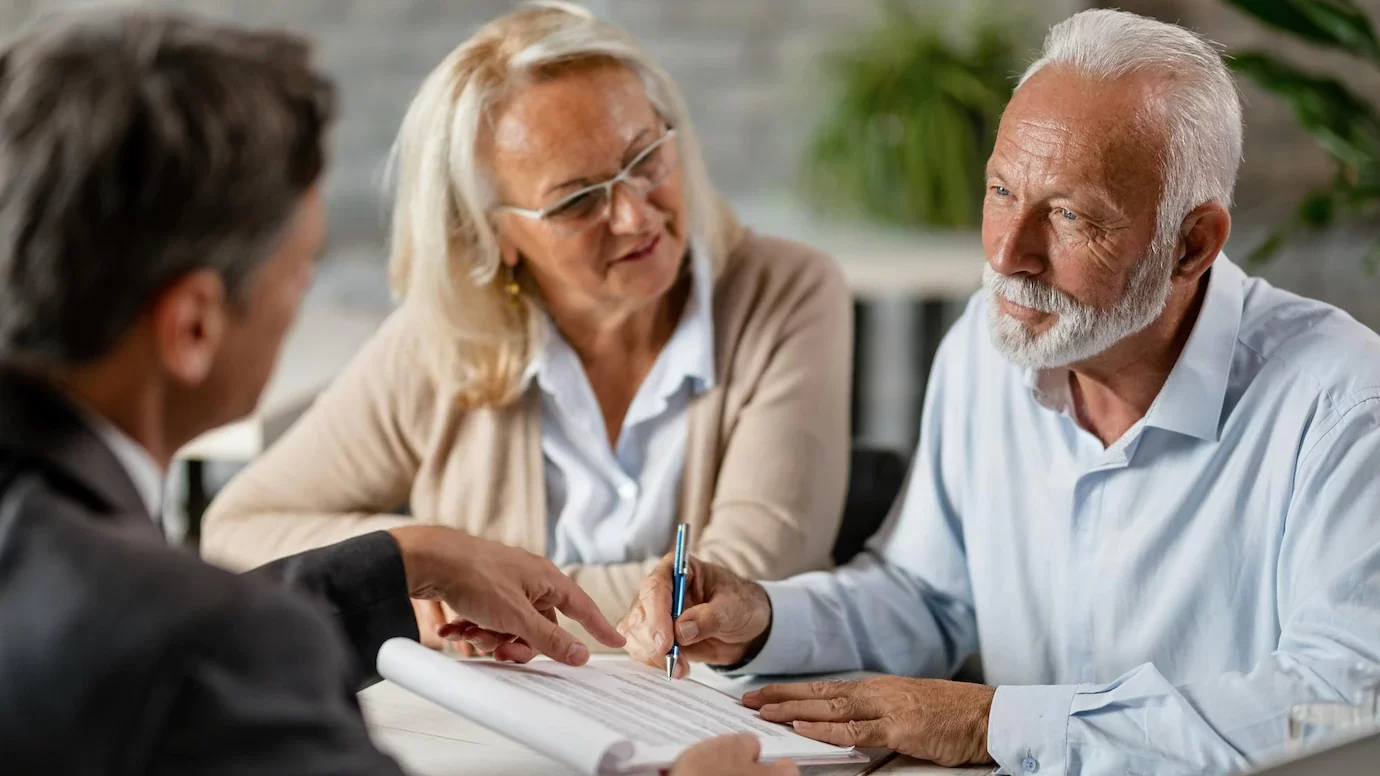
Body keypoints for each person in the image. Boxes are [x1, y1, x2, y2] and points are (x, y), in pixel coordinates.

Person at [0, 10, 791, 775]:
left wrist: (407, 558)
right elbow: (198, 640)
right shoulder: (209, 652)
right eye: (301, 269)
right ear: (194, 327)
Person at [620, 9, 1380, 775]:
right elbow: (928, 596)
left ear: (1192, 244)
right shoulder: (984, 353)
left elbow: (1341, 702)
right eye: (1002, 190)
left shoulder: (1344, 403)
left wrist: (999, 723)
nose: (1009, 253)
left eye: (1070, 215)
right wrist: (764, 618)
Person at [199, 0, 852, 652]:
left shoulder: (788, 292)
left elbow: (745, 590)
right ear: (492, 234)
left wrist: (484, 593)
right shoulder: (444, 339)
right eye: (577, 199)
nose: (635, 216)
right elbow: (237, 528)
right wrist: (422, 560)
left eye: (646, 157)